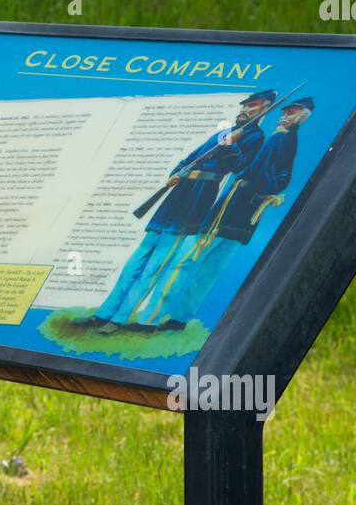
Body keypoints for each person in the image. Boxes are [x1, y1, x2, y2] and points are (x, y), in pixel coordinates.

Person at [76, 90, 275, 334]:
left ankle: (119, 319)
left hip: (199, 197)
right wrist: (176, 172)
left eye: (253, 106)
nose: (246, 110)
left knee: (156, 266)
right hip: (179, 193)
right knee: (135, 262)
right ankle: (104, 313)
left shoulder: (255, 137)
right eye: (245, 105)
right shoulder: (224, 132)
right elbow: (192, 157)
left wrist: (232, 146)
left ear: (265, 108)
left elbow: (239, 168)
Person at [142, 97, 314, 332]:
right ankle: (168, 318)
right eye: (285, 111)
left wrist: (238, 156)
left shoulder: (284, 139)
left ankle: (154, 319)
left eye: (291, 112)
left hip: (234, 209)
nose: (285, 115)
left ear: (303, 117)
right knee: (201, 266)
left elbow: (255, 171)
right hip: (240, 209)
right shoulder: (281, 138)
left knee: (189, 262)